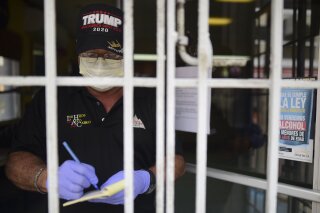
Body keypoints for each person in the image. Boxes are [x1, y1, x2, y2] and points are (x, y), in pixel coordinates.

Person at [5, 3, 185, 213]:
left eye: (110, 56)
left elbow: (177, 160)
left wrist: (145, 179)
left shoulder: (150, 98)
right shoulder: (53, 97)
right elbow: (15, 162)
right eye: (91, 55)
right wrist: (46, 178)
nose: (100, 63)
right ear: (78, 55)